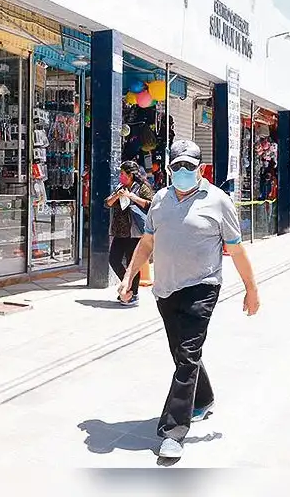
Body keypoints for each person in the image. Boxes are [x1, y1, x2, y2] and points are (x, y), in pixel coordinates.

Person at [117, 140, 260, 459]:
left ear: (200, 169)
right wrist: (129, 277)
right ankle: (204, 398)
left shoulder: (219, 201)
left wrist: (252, 289)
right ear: (168, 169)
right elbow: (147, 242)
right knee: (183, 354)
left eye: (188, 167)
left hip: (203, 286)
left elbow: (236, 249)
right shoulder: (159, 200)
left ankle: (173, 430)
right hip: (166, 289)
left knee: (187, 353)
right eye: (176, 167)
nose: (182, 172)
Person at [105, 160, 155, 307]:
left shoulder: (142, 188)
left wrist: (132, 197)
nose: (120, 176)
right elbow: (107, 203)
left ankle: (133, 294)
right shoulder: (120, 187)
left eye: (122, 174)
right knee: (114, 260)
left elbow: (151, 204)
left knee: (132, 263)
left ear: (130, 175)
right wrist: (117, 196)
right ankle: (127, 287)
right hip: (120, 231)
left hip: (135, 232)